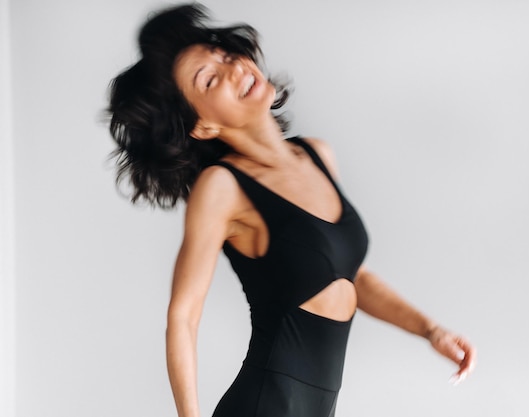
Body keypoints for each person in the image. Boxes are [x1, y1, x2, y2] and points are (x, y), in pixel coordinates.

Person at [107, 4, 476, 417]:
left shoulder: (317, 154)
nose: (233, 70)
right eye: (210, 80)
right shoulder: (222, 187)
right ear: (201, 126)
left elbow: (348, 278)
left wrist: (430, 330)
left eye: (227, 56)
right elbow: (183, 317)